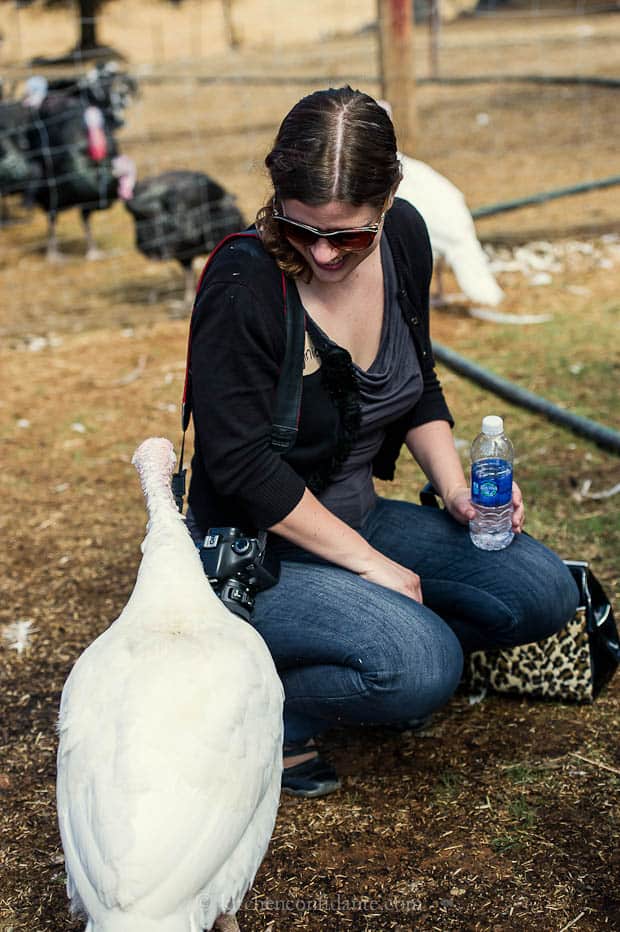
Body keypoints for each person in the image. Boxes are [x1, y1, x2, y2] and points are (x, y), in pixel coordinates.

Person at [185, 86, 579, 798]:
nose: (326, 254)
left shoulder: (404, 239)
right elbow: (238, 463)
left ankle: (362, 651)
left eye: (350, 235)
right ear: (277, 196)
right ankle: (274, 716)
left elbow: (417, 383)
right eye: (301, 229)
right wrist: (372, 568)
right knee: (419, 663)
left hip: (357, 518)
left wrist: (456, 489)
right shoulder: (245, 281)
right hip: (256, 552)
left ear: (389, 200)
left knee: (542, 591)